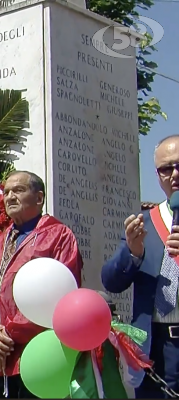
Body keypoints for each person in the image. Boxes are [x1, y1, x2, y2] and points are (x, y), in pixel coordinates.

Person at [0, 171, 83, 398]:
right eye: (6, 192)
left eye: (18, 190)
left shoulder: (58, 237)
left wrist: (6, 336)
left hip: (39, 359)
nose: (9, 197)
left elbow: (57, 295)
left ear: (39, 198)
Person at [102, 134, 179, 398]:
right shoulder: (144, 223)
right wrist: (133, 254)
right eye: (166, 168)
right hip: (156, 348)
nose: (174, 174)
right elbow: (111, 281)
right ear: (157, 175)